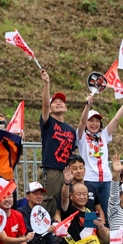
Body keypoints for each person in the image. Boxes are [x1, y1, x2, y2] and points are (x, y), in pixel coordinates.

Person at [38, 69, 77, 216]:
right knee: (48, 203)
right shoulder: (49, 122)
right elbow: (45, 106)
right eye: (55, 102)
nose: (58, 103)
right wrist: (47, 83)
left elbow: (72, 153)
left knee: (67, 206)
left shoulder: (71, 130)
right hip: (52, 170)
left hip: (67, 172)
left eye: (61, 101)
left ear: (66, 108)